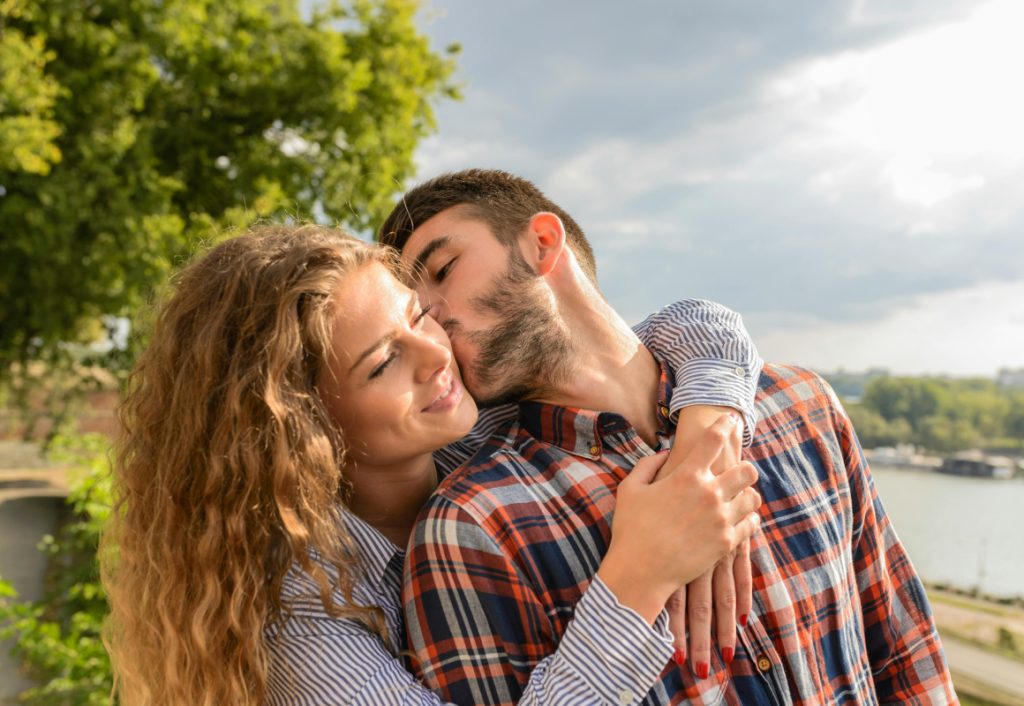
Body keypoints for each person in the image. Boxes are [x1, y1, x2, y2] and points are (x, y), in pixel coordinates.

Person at [102, 224, 765, 706]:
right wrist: (637, 579)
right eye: (384, 362)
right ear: (303, 428)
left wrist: (707, 441)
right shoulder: (300, 619)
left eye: (421, 314)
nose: (437, 354)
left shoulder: (478, 429)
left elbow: (688, 328)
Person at [380, 169, 957, 705]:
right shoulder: (469, 529)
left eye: (443, 269)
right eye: (414, 311)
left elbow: (906, 656)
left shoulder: (803, 406)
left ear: (543, 244)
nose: (431, 315)